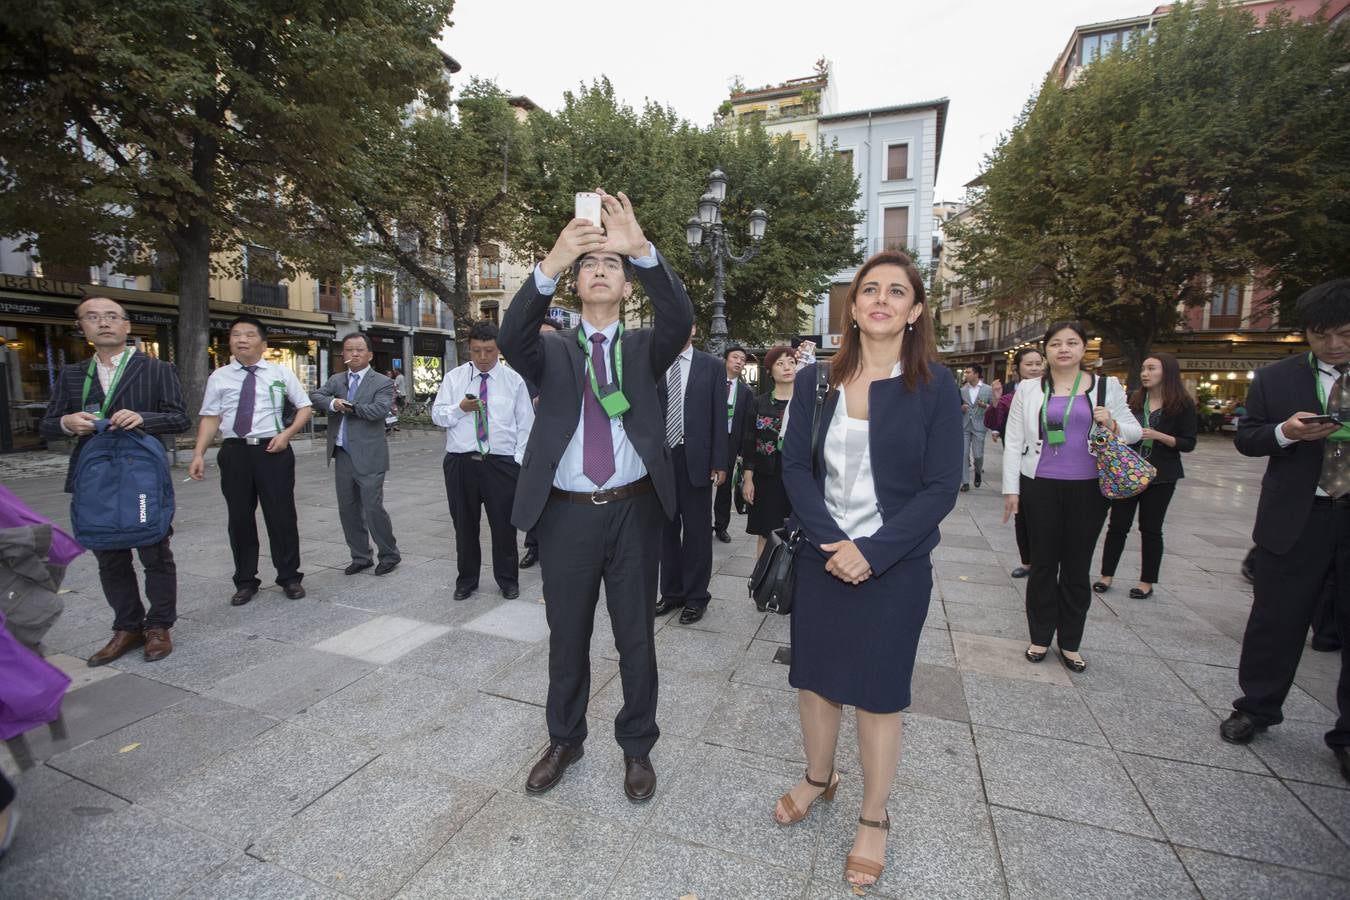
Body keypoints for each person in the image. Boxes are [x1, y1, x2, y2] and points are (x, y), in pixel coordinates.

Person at [774, 250, 961, 889]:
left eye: (897, 292)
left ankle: (874, 817)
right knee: (815, 680)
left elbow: (941, 488)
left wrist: (874, 551)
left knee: (880, 695)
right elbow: (795, 467)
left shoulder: (936, 385)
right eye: (869, 290)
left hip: (897, 564)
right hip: (822, 555)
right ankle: (818, 778)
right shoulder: (816, 381)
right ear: (852, 308)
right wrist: (832, 544)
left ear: (913, 312)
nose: (881, 299)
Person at [498, 189, 692, 803]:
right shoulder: (550, 348)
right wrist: (552, 259)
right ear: (575, 284)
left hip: (635, 511)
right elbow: (509, 335)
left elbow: (682, 320)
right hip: (567, 516)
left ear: (627, 287)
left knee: (636, 636)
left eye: (613, 265)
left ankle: (637, 748)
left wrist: (643, 249)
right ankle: (564, 738)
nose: (601, 270)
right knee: (567, 634)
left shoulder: (643, 349)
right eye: (590, 265)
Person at [1221, 279, 1350, 784]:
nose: (1334, 345)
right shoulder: (1276, 378)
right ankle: (1256, 707)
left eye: (1343, 333)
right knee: (1276, 620)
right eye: (1322, 336)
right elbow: (1248, 437)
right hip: (1299, 516)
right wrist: (1285, 432)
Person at [39, 297, 190, 663]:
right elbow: (47, 423)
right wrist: (65, 423)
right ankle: (127, 626)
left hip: (142, 479)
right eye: (92, 317)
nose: (102, 322)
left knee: (155, 552)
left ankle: (159, 625)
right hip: (96, 482)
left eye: (111, 316)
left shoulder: (156, 369)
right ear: (82, 328)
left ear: (126, 326)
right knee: (109, 555)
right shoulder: (73, 375)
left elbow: (179, 418)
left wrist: (144, 418)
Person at [1001, 321, 1140, 673]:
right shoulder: (1030, 389)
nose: (1064, 349)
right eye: (1056, 344)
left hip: (1089, 488)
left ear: (1083, 349)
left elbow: (1135, 431)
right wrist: (1011, 490)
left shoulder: (1107, 387)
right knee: (1043, 564)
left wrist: (1113, 423)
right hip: (1040, 484)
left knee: (1077, 567)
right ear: (1046, 350)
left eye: (1072, 343)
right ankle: (1040, 636)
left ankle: (1071, 643)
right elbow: (1013, 440)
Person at [188, 315, 313, 606]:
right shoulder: (219, 376)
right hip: (235, 452)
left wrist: (287, 434)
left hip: (273, 450)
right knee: (240, 517)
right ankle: (245, 580)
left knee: (281, 515)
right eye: (236, 335)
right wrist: (198, 454)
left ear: (264, 344)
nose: (241, 340)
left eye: (249, 335)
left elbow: (305, 407)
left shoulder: (280, 373)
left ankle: (289, 576)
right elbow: (210, 417)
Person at [432, 320, 534, 601]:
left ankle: (507, 580)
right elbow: (437, 415)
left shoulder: (514, 381)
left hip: (501, 464)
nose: (483, 358)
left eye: (489, 351)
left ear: (498, 348)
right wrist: (459, 408)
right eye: (476, 351)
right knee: (464, 525)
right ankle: (466, 580)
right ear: (469, 348)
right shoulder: (454, 379)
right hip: (461, 462)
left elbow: (526, 424)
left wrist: (517, 461)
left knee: (503, 526)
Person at [1094, 353, 1197, 599]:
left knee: (1151, 529)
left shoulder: (1182, 405)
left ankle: (1146, 581)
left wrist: (1159, 436)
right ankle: (1106, 575)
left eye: (1151, 368)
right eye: (1143, 368)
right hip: (1127, 472)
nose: (1145, 373)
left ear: (1167, 372)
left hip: (1161, 475)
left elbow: (1188, 443)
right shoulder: (1133, 400)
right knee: (1117, 525)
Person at [310, 334, 401, 577]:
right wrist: (332, 404)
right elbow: (316, 396)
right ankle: (360, 556)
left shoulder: (382, 382)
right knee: (347, 509)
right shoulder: (336, 380)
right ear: (343, 355)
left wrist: (348, 407)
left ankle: (389, 554)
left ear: (369, 354)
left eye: (359, 350)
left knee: (373, 507)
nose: (354, 354)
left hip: (370, 454)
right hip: (343, 454)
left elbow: (380, 410)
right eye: (349, 350)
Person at [655, 326, 727, 624]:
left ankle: (696, 598)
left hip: (696, 457)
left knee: (697, 532)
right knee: (665, 532)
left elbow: (719, 416)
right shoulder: (654, 363)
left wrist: (720, 462)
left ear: (694, 329)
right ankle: (671, 593)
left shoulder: (711, 365)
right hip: (661, 459)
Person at [985, 347, 1044, 578]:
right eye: (1029, 364)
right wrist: (997, 400)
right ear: (1017, 368)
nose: (1035, 368)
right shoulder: (1011, 393)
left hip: (1047, 460)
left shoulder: (1056, 390)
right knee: (1022, 513)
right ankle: (1028, 561)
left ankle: (1045, 560)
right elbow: (993, 421)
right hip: (1019, 459)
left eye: (1038, 363)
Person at [741, 346, 798, 557]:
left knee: (798, 532)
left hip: (799, 475)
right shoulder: (759, 403)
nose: (787, 368)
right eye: (780, 363)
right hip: (767, 476)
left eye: (791, 362)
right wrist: (748, 479)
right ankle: (762, 583)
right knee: (766, 532)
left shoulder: (806, 403)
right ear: (770, 371)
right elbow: (749, 443)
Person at [521, 318, 562, 571]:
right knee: (536, 497)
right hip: (534, 446)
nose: (545, 341)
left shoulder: (571, 369)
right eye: (541, 337)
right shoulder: (525, 374)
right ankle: (533, 546)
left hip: (563, 446)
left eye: (550, 336)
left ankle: (557, 545)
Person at [714, 344, 755, 544]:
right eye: (735, 357)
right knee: (701, 485)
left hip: (731, 442)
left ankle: (721, 526)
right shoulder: (711, 383)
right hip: (711, 439)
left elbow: (747, 423)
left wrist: (741, 450)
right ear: (725, 360)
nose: (739, 362)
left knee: (724, 486)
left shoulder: (746, 392)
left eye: (742, 359)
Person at [959, 364, 993, 491]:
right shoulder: (962, 390)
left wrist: (986, 406)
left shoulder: (988, 389)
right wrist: (961, 408)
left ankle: (978, 472)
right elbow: (958, 405)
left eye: (968, 372)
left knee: (978, 454)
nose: (965, 374)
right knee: (964, 454)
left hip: (980, 425)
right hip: (965, 425)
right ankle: (965, 482)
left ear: (976, 374)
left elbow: (994, 408)